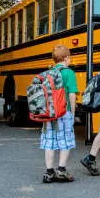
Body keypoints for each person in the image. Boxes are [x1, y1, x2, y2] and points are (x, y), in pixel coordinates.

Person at [41, 45, 78, 183]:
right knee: (66, 140)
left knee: (49, 141)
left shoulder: (48, 72)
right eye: (70, 58)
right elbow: (72, 94)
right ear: (66, 58)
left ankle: (49, 172)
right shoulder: (69, 73)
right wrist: (73, 113)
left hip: (49, 113)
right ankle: (61, 170)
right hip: (64, 112)